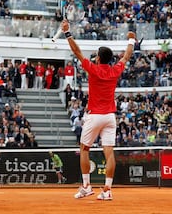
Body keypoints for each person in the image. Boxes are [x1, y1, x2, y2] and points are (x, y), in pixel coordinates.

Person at [57, 19, 135, 200]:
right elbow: (126, 56)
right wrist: (131, 40)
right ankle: (107, 190)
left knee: (84, 149)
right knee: (109, 153)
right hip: (110, 116)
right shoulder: (115, 69)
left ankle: (86, 186)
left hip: (95, 115)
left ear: (99, 58)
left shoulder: (93, 69)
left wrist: (68, 32)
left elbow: (76, 52)